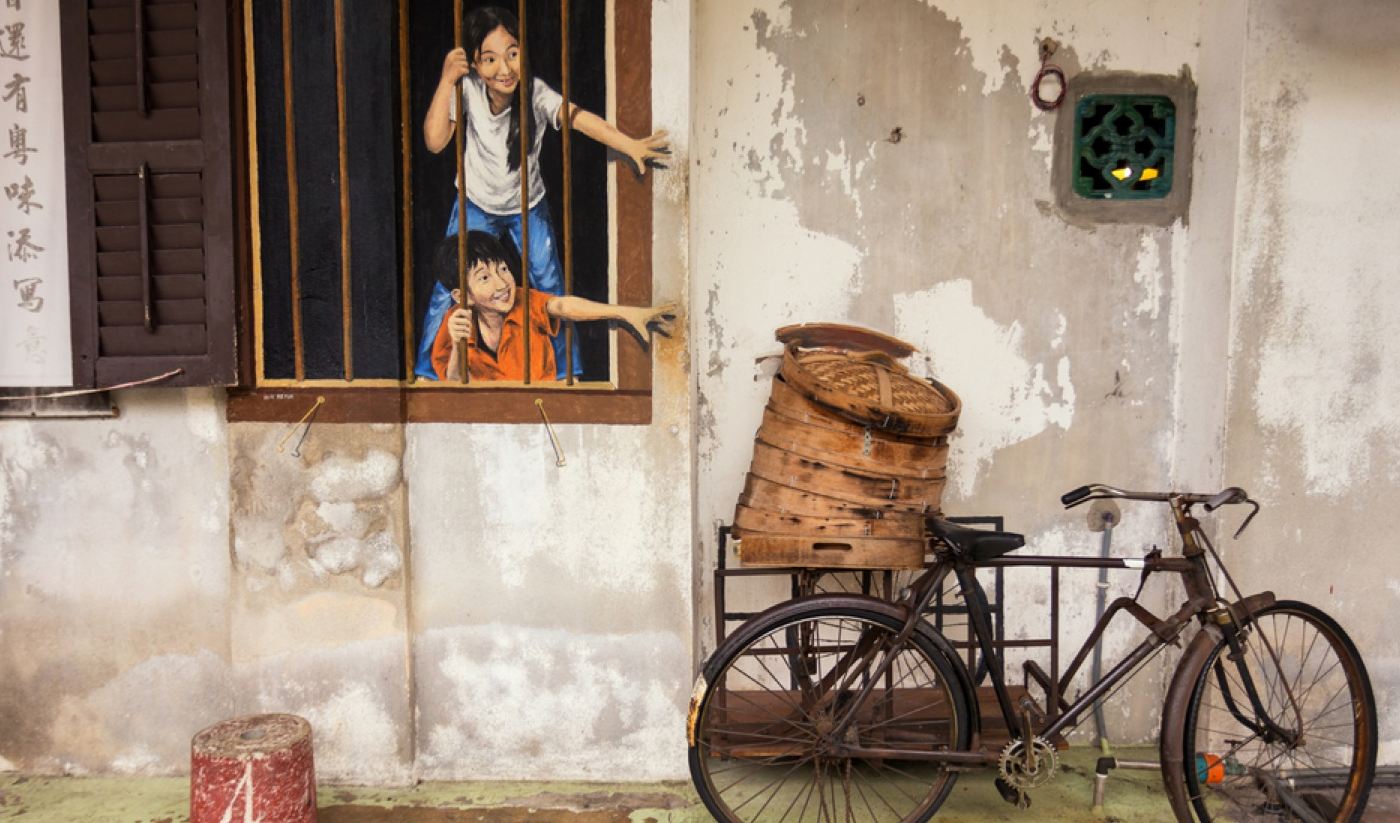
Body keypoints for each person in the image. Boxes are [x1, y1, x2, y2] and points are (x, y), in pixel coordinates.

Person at [420, 5, 669, 379]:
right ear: (473, 62)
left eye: (513, 54)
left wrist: (628, 144)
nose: (505, 69)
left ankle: (567, 374)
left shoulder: (534, 92)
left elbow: (578, 117)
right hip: (474, 202)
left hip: (527, 205)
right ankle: (429, 373)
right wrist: (445, 79)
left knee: (548, 286)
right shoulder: (467, 89)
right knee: (450, 288)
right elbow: (435, 142)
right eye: (490, 59)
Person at [429, 232, 674, 383]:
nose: (502, 283)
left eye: (503, 269)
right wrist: (459, 344)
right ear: (462, 296)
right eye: (484, 278)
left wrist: (624, 312)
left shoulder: (525, 301)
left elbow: (562, 305)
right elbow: (454, 384)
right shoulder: (455, 322)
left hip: (540, 412)